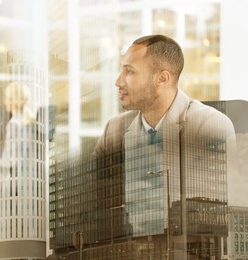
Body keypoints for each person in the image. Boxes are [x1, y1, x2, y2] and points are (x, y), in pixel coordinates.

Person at [93, 35, 235, 255]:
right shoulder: (113, 130)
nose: (118, 81)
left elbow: (207, 211)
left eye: (129, 72)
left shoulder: (209, 125)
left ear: (162, 78)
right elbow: (96, 203)